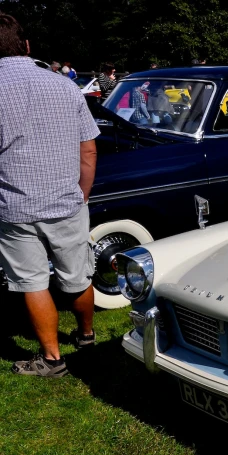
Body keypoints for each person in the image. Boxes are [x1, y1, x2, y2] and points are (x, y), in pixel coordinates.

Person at [0, 12, 100, 377]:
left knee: (32, 282)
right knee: (78, 276)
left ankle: (53, 358)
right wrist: (83, 194)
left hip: (16, 205)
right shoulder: (64, 85)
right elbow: (88, 148)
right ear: (26, 45)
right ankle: (87, 336)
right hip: (66, 200)